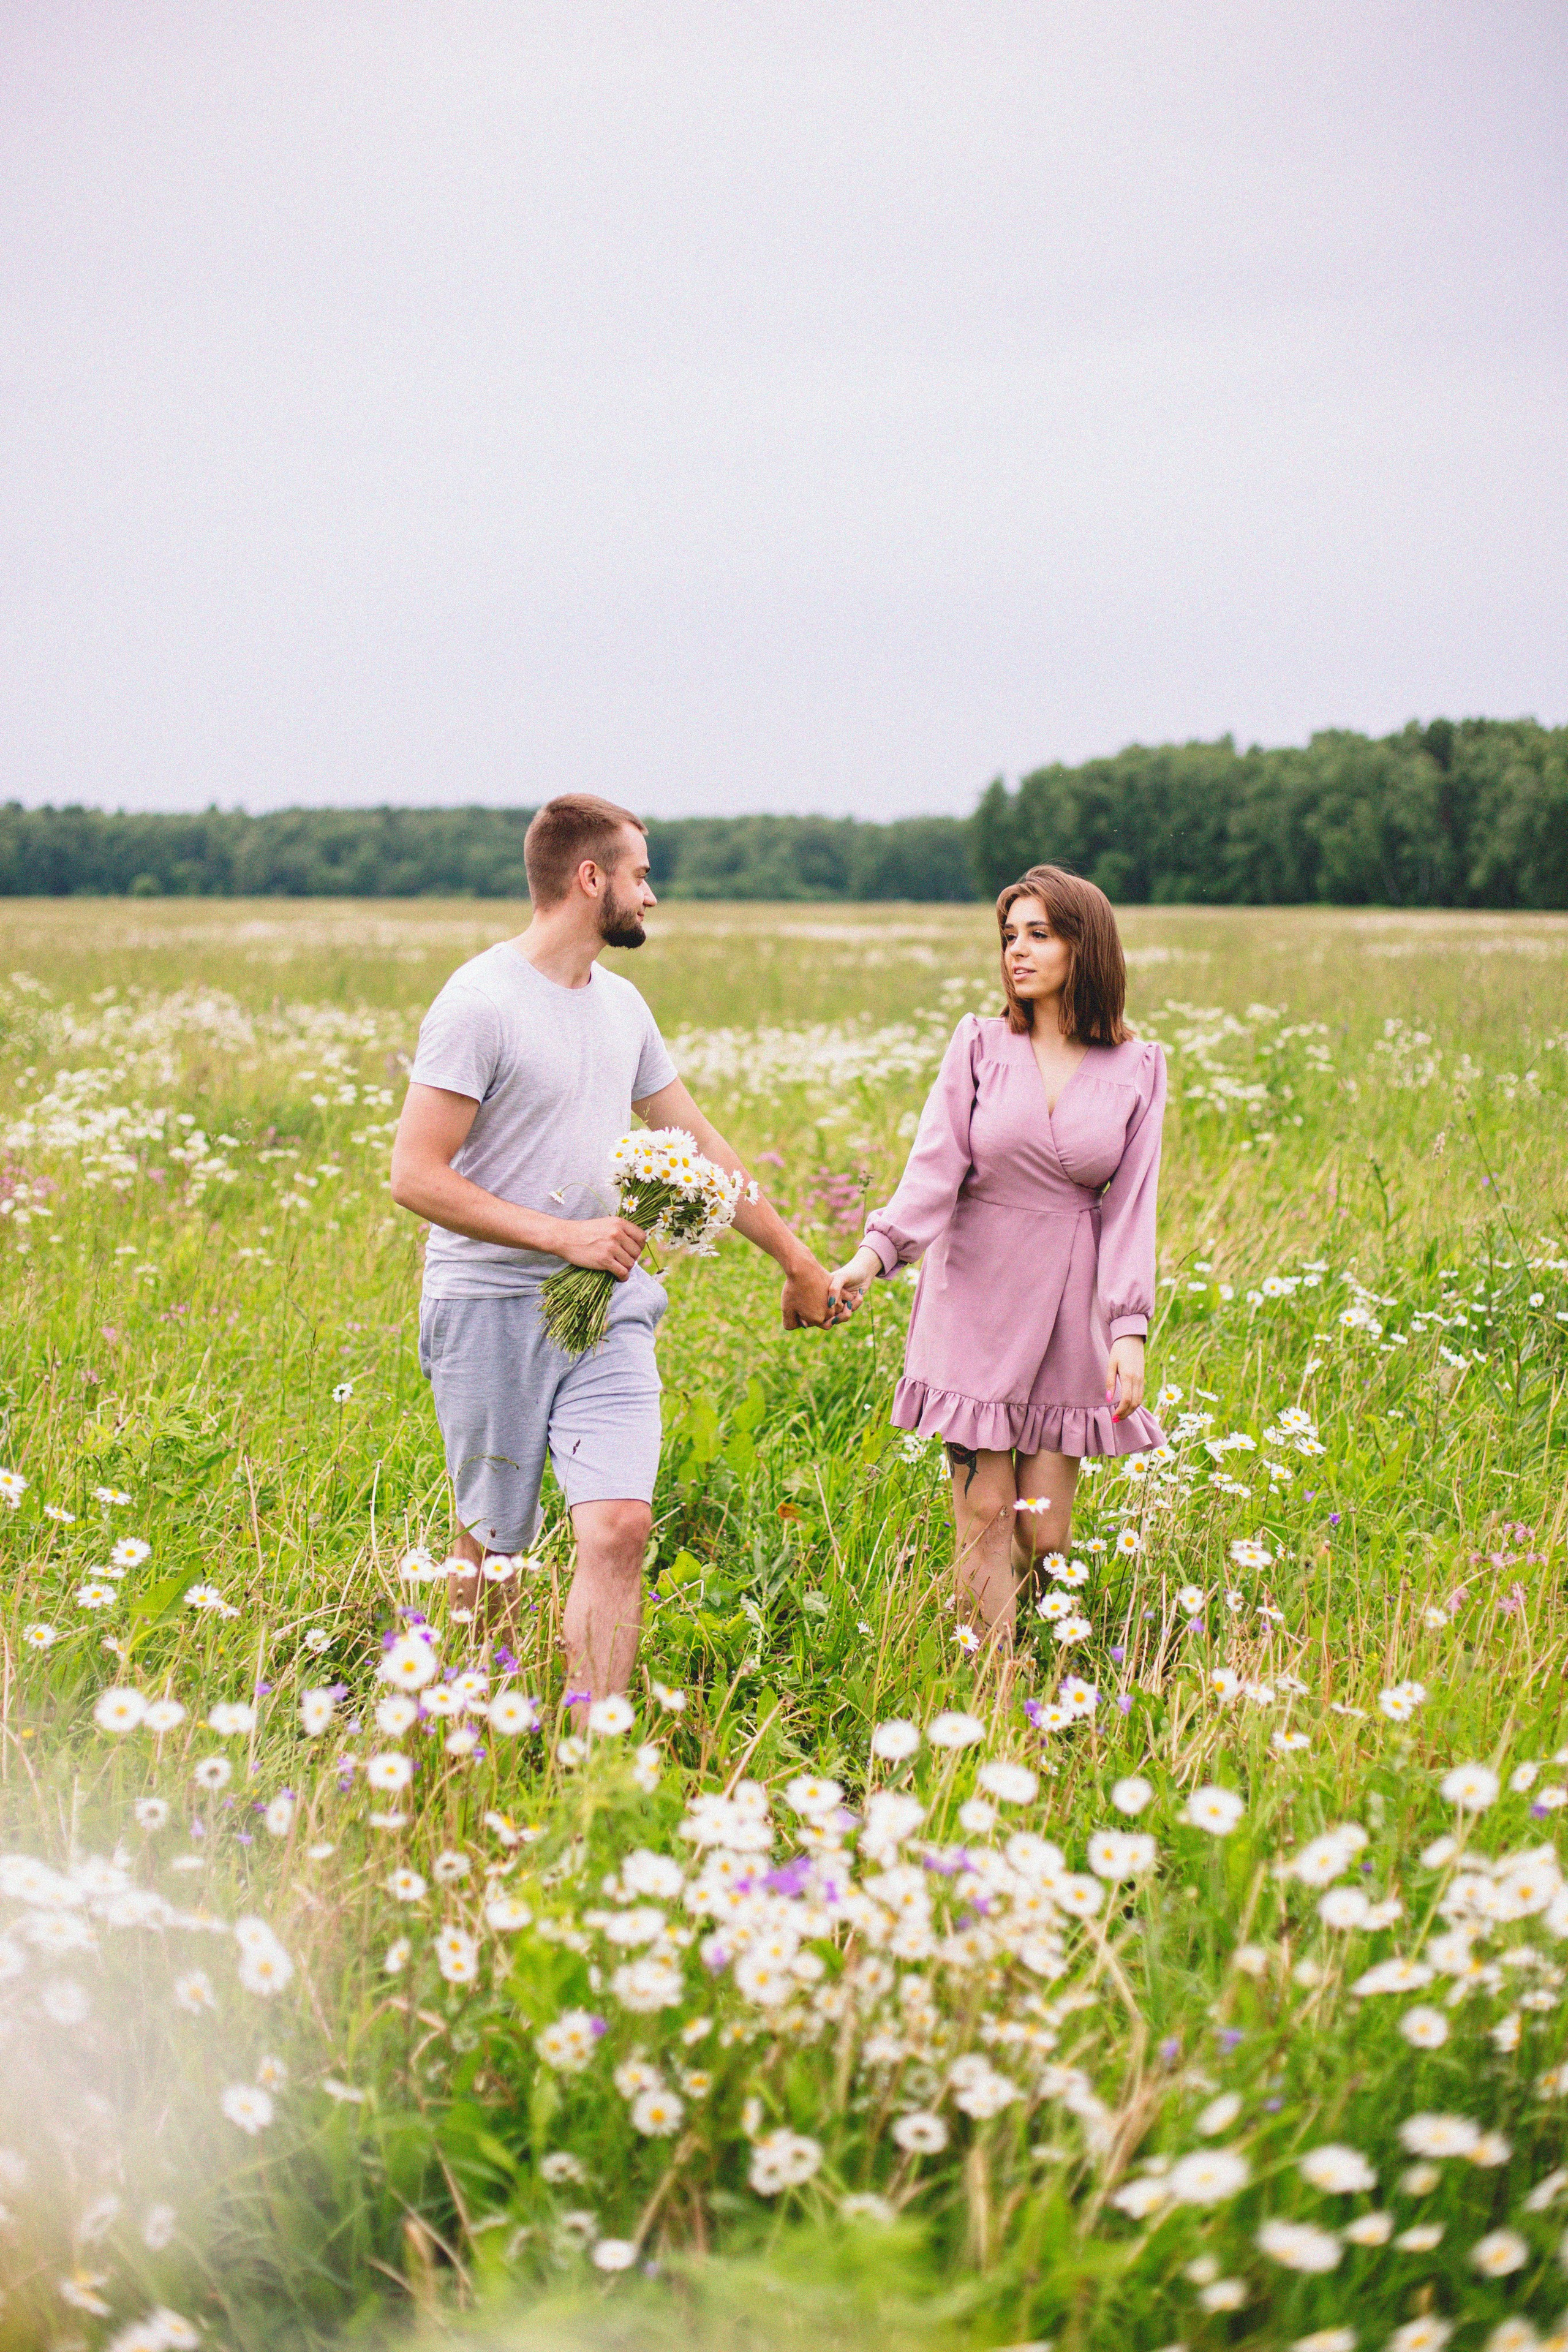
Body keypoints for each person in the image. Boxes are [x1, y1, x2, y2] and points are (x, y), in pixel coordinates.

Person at [390, 792, 837, 1706]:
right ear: (590, 878)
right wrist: (564, 1236)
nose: (652, 895)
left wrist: (795, 1259)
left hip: (610, 1308)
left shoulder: (623, 1006)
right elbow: (415, 1177)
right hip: (488, 1307)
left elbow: (700, 1144)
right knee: (494, 1545)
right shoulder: (479, 1003)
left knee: (622, 1526)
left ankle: (592, 1748)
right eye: (641, 875)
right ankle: (476, 1730)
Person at [829, 864, 1166, 1646]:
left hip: (1069, 1305)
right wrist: (871, 1258)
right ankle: (993, 1683)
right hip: (973, 1296)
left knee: (1044, 1533)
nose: (1017, 950)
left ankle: (1044, 1646)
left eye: (1039, 935)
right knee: (985, 1513)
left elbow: (1131, 1207)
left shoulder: (1139, 1066)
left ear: (1085, 946)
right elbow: (932, 1171)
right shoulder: (979, 1044)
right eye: (1009, 935)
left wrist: (1128, 1332)